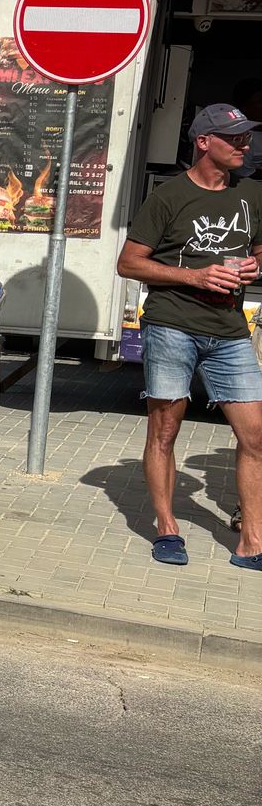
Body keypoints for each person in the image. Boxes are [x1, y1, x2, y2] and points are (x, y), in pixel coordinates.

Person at [117, 103, 262, 570]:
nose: (244, 144)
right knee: (164, 430)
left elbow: (260, 252)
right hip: (172, 324)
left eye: (246, 136)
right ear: (203, 142)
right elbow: (129, 263)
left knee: (256, 435)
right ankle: (167, 528)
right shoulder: (169, 197)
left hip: (229, 330)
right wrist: (194, 276)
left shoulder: (251, 194)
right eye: (234, 138)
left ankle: (252, 541)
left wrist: (255, 266)